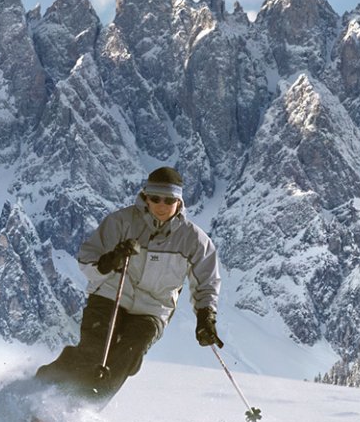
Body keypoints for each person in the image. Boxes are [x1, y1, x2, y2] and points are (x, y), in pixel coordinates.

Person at [35, 166, 223, 403]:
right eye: (155, 198)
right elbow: (87, 259)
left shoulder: (194, 240)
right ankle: (40, 387)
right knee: (94, 351)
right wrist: (110, 261)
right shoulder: (121, 222)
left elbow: (206, 282)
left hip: (153, 309)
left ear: (179, 201)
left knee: (129, 353)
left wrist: (206, 317)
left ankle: (86, 406)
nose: (162, 205)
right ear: (145, 197)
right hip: (111, 295)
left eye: (169, 199)